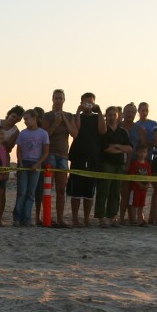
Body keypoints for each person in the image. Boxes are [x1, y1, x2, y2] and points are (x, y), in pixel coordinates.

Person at [66, 92, 105, 227]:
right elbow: (76, 130)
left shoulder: (97, 117)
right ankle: (75, 218)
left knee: (89, 190)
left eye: (91, 102)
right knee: (76, 189)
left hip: (93, 156)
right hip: (78, 154)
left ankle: (87, 218)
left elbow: (102, 130)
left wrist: (99, 112)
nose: (89, 104)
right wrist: (78, 111)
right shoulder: (77, 116)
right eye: (86, 102)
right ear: (82, 102)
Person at [42, 89, 76, 226]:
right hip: (50, 154)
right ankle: (48, 217)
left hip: (63, 156)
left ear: (64, 100)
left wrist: (64, 120)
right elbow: (44, 135)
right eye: (56, 98)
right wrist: (56, 122)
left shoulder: (69, 115)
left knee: (61, 189)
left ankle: (60, 218)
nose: (58, 100)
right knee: (48, 188)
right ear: (52, 99)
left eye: (60, 98)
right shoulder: (47, 116)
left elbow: (74, 133)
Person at [95, 105, 132, 227]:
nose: (112, 117)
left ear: (118, 116)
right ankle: (101, 217)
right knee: (104, 190)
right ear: (106, 116)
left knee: (116, 191)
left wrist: (117, 146)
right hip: (106, 163)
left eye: (114, 115)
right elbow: (106, 148)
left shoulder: (123, 132)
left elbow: (129, 148)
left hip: (119, 164)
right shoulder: (103, 130)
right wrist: (120, 149)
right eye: (109, 115)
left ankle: (112, 216)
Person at [13, 108, 49, 227]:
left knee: (30, 193)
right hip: (24, 163)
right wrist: (20, 162)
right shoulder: (23, 133)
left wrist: (38, 164)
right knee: (22, 192)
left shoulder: (43, 133)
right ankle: (17, 218)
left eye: (27, 119)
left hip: (36, 164)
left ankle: (26, 219)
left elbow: (45, 152)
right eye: (24, 119)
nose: (25, 122)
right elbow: (18, 149)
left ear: (34, 118)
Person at [127, 143, 152, 226]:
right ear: (137, 152)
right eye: (141, 152)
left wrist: (147, 184)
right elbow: (132, 176)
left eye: (144, 152)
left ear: (147, 153)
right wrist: (139, 184)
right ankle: (133, 219)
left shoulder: (147, 165)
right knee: (134, 204)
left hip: (144, 189)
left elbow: (149, 176)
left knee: (141, 205)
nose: (142, 154)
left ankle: (140, 220)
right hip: (135, 188)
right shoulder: (134, 164)